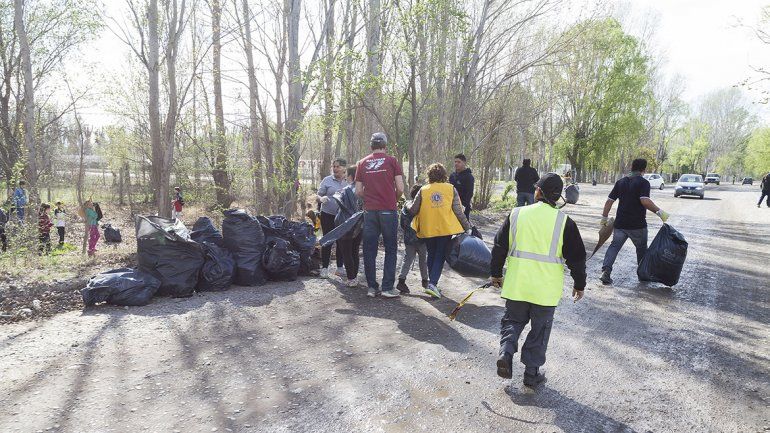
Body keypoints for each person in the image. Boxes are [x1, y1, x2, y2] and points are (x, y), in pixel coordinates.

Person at [490, 173, 587, 387]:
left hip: (517, 286)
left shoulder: (516, 214)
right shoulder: (564, 222)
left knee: (513, 322)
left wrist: (495, 273)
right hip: (545, 291)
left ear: (538, 192)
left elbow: (499, 247)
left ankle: (506, 353)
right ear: (557, 196)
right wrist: (580, 284)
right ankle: (531, 373)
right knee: (539, 330)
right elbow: (577, 258)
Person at [599, 158, 669, 285]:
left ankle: (606, 271)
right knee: (641, 249)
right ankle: (642, 275)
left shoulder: (620, 182)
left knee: (614, 247)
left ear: (632, 167)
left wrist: (604, 217)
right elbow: (645, 201)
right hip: (637, 226)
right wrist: (660, 212)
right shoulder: (643, 183)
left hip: (620, 224)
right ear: (644, 169)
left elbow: (609, 201)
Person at [408, 163, 471, 298]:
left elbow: (413, 210)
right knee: (440, 255)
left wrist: (407, 204)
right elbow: (459, 212)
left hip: (428, 228)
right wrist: (468, 227)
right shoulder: (450, 189)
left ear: (429, 175)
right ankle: (433, 284)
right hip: (445, 229)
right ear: (444, 175)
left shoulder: (423, 190)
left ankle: (432, 284)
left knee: (431, 254)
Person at [355, 132, 405, 298]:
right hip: (388, 210)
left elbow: (358, 191)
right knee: (391, 248)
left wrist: (369, 200)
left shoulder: (362, 163)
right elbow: (401, 189)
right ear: (385, 145)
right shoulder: (392, 161)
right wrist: (393, 200)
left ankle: (371, 287)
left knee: (369, 249)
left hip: (370, 211)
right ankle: (387, 288)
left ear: (371, 146)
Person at [317, 158, 348, 278]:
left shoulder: (348, 181)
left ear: (344, 168)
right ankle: (325, 268)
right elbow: (318, 195)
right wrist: (321, 198)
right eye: (334, 166)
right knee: (327, 240)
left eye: (338, 167)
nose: (335, 169)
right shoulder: (327, 180)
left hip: (342, 216)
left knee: (341, 241)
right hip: (327, 214)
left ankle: (340, 268)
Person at [397, 184, 429, 294]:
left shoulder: (406, 205)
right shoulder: (423, 208)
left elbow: (402, 223)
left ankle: (401, 281)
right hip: (421, 239)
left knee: (408, 259)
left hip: (409, 239)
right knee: (423, 261)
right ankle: (425, 281)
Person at [336, 165, 364, 287]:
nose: (346, 177)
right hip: (360, 225)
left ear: (351, 176)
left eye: (347, 175)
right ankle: (354, 276)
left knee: (346, 251)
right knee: (355, 250)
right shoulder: (363, 190)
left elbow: (341, 206)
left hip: (346, 225)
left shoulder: (347, 190)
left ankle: (351, 278)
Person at [449, 153, 475, 220]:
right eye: (455, 162)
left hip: (463, 207)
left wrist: (463, 206)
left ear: (464, 163)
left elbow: (469, 193)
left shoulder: (469, 177)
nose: (456, 164)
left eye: (459, 162)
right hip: (451, 207)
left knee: (463, 228)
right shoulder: (452, 176)